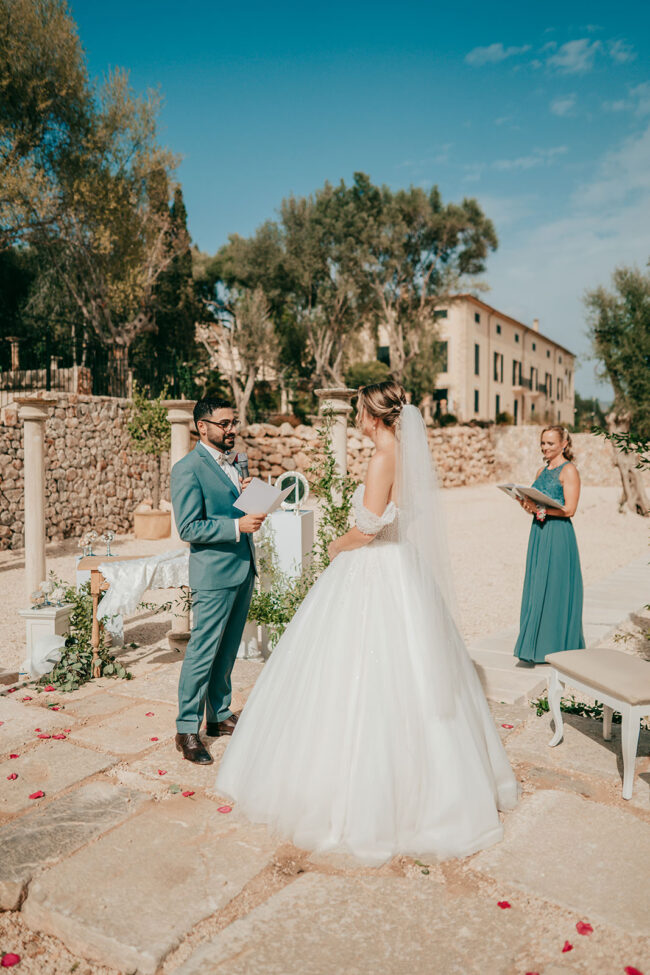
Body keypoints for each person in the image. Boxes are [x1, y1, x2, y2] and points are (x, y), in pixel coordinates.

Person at [216, 380, 517, 865]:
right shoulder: (404, 454)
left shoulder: (382, 456)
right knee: (410, 672)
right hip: (400, 566)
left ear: (372, 414)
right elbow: (404, 513)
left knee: (355, 675)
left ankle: (363, 805)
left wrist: (333, 548)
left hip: (374, 566)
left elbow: (368, 527)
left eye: (359, 408)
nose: (356, 415)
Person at [170, 397, 266, 765]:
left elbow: (234, 512)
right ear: (202, 426)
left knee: (227, 649)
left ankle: (219, 714)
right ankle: (186, 729)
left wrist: (251, 501)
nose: (231, 430)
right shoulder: (187, 469)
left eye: (234, 422)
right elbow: (189, 527)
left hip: (243, 567)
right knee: (202, 652)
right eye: (224, 424)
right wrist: (235, 526)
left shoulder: (237, 462)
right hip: (213, 573)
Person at [514, 425, 585, 666]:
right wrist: (527, 506)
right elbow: (537, 508)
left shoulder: (569, 471)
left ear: (563, 444)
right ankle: (535, 645)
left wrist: (541, 509)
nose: (545, 447)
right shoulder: (540, 471)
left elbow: (569, 510)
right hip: (539, 533)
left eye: (550, 443)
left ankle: (557, 646)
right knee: (537, 587)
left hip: (558, 534)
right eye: (543, 443)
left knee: (556, 587)